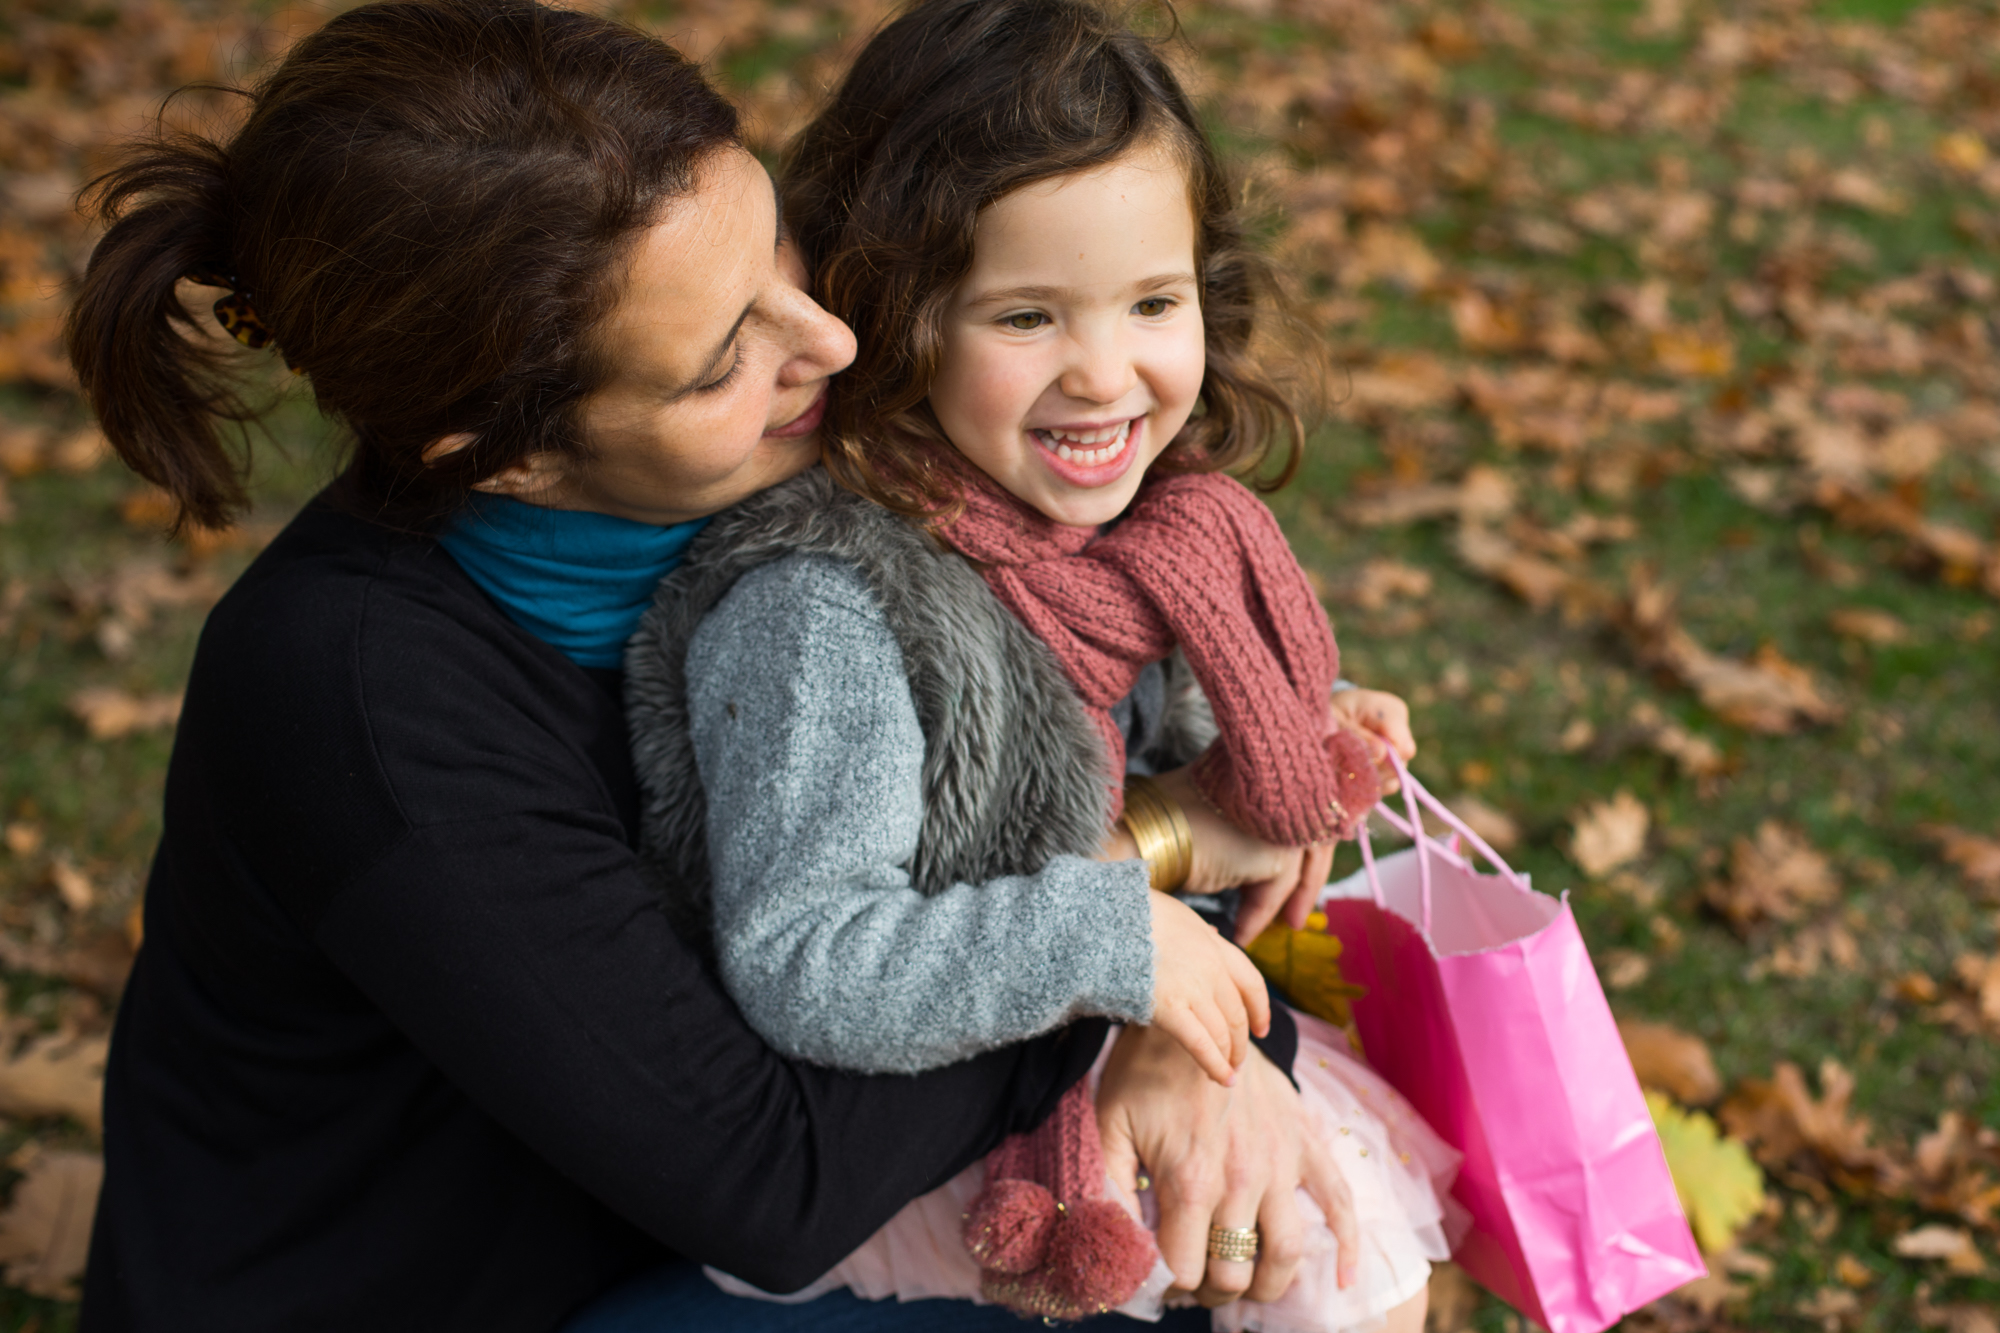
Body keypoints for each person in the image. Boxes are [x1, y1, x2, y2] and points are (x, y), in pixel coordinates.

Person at [61, 1, 1351, 1329]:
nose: (832, 341)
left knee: (1258, 1212)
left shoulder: (803, 474)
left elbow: (1042, 744)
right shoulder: (362, 703)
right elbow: (773, 1178)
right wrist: (1133, 912)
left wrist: (1202, 976)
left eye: (778, 245)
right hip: (479, 1292)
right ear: (499, 452)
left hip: (683, 1239)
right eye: (725, 352)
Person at [620, 1, 1466, 1329]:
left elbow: (1153, 754)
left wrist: (1301, 739)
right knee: (1332, 1251)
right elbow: (806, 957)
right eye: (1026, 315)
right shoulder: (823, 608)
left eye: (1152, 302)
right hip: (910, 1140)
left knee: (1347, 1227)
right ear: (895, 315)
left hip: (1074, 1036)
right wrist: (1119, 932)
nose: (1105, 372)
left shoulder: (1151, 526)